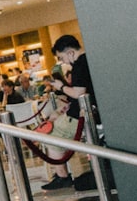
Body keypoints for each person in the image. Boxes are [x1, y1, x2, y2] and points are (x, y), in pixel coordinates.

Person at [40, 35, 95, 190]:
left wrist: (60, 86)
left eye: (61, 57)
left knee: (50, 135)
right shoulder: (90, 59)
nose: (63, 62)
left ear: (70, 53)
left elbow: (78, 93)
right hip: (85, 112)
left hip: (80, 117)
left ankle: (62, 176)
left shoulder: (78, 66)